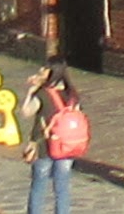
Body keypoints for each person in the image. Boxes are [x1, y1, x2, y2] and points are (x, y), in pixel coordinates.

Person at [22, 62, 84, 214]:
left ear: (51, 74)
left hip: (44, 147)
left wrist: (31, 92)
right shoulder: (73, 95)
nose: (41, 71)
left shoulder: (43, 94)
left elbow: (26, 112)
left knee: (39, 187)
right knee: (62, 188)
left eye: (44, 70)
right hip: (67, 147)